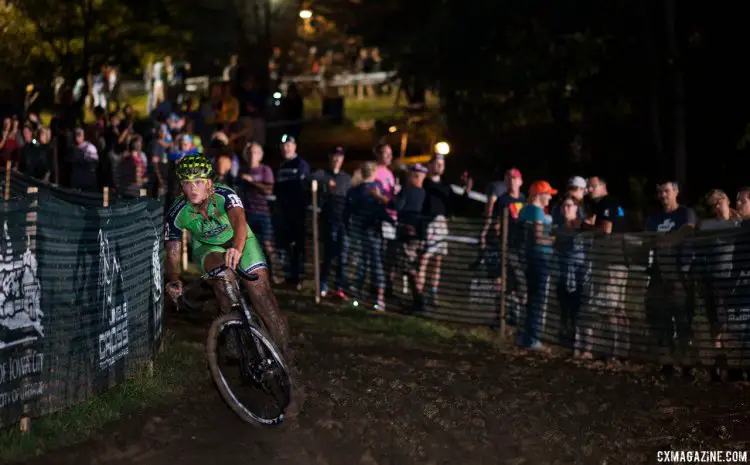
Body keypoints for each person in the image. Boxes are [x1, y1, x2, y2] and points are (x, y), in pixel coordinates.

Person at [163, 155, 301, 415]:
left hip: (240, 240)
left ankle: (286, 358)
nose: (192, 188)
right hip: (209, 247)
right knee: (223, 278)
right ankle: (234, 327)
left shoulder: (225, 195)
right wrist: (174, 280)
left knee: (261, 294)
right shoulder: (177, 212)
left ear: (209, 183)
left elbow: (239, 221)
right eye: (187, 182)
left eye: (198, 182)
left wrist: (237, 249)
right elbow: (172, 251)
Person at [517, 180, 557, 350]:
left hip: (528, 258)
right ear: (540, 195)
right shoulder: (536, 212)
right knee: (538, 299)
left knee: (531, 297)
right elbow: (538, 237)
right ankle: (533, 338)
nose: (549, 197)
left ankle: (525, 335)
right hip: (539, 258)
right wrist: (556, 239)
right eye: (547, 194)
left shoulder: (525, 210)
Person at [312, 146, 352, 299]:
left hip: (343, 222)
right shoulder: (322, 174)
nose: (337, 159)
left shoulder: (346, 179)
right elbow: (310, 178)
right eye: (334, 156)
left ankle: (339, 287)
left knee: (343, 254)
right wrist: (324, 182)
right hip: (328, 221)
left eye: (340, 157)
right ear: (330, 158)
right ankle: (323, 284)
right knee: (329, 254)